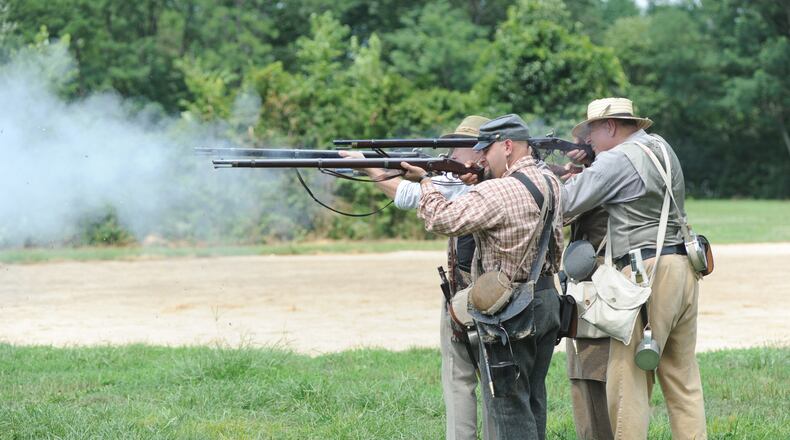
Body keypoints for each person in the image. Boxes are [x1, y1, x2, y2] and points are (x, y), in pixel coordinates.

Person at [401, 114, 563, 440]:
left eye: (486, 150)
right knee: (532, 400)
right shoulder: (551, 182)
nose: (482, 159)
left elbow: (442, 219)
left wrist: (425, 183)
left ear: (506, 146)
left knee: (507, 409)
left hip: (511, 312)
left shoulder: (502, 191)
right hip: (546, 300)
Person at [340, 115, 496, 440]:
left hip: (480, 297)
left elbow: (409, 195)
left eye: (460, 146)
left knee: (483, 384)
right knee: (467, 381)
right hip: (466, 292)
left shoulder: (481, 188)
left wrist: (370, 169)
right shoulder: (483, 183)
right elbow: (413, 192)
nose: (453, 154)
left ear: (483, 152)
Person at [562, 97, 707, 439]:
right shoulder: (660, 147)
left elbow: (567, 202)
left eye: (592, 132)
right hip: (684, 267)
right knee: (683, 381)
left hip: (646, 274)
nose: (589, 141)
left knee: (627, 382)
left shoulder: (616, 160)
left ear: (610, 126)